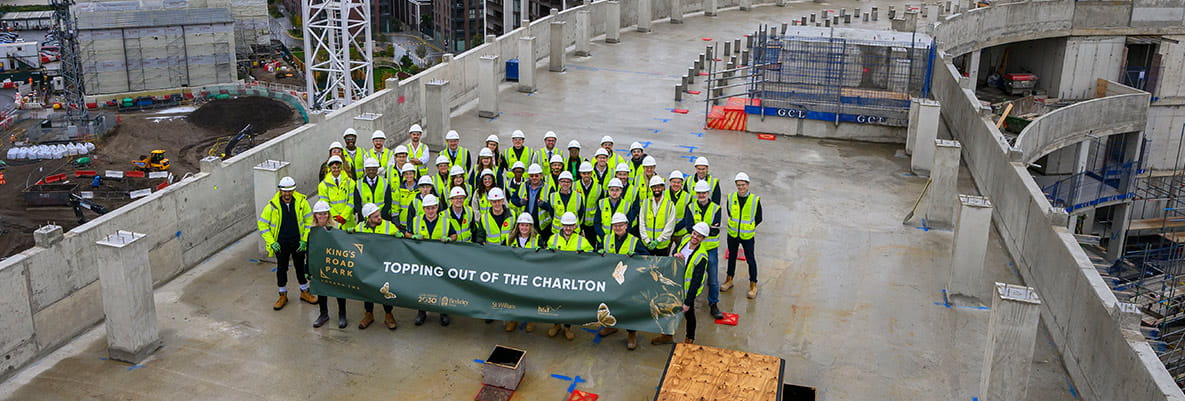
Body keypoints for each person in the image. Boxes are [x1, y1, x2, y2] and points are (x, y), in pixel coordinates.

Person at [257, 176, 317, 310]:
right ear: (280, 190)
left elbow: (309, 222)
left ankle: (304, 292)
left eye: (290, 191)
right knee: (281, 269)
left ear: (294, 190)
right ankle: (282, 295)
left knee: (300, 267)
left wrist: (304, 240)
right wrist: (272, 242)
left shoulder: (302, 203)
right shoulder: (272, 206)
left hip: (297, 241)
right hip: (281, 243)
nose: (287, 194)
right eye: (285, 191)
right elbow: (262, 224)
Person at [597, 213, 649, 350]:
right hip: (611, 279)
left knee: (629, 307)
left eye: (620, 225)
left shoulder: (634, 241)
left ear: (626, 225)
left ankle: (631, 334)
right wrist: (600, 252)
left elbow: (647, 257)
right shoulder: (606, 239)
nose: (618, 228)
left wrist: (636, 256)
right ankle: (610, 327)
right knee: (610, 303)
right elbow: (598, 254)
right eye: (615, 225)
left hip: (628, 282)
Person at [652, 222, 710, 345]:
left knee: (689, 314)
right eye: (694, 234)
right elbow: (674, 252)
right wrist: (675, 255)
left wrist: (688, 302)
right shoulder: (684, 239)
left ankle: (689, 339)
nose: (695, 237)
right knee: (668, 309)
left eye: (699, 236)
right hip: (675, 284)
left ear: (703, 238)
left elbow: (696, 281)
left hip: (687, 290)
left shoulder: (701, 257)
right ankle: (667, 335)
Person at [351, 203, 403, 330]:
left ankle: (388, 315)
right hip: (367, 265)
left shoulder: (388, 225)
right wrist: (348, 234)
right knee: (367, 290)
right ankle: (368, 314)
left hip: (383, 265)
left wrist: (400, 235)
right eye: (375, 217)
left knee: (385, 289)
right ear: (368, 218)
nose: (379, 218)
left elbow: (399, 238)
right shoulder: (360, 227)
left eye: (379, 215)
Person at [410, 194, 456, 326]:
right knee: (422, 286)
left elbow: (454, 235)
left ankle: (443, 312)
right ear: (423, 209)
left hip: (440, 260)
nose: (431, 211)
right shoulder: (416, 220)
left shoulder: (445, 221)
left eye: (433, 208)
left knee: (441, 286)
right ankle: (422, 312)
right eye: (428, 208)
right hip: (422, 260)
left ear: (437, 207)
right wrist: (413, 236)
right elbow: (408, 233)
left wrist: (449, 239)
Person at [546, 212, 592, 340]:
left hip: (572, 279)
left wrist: (585, 254)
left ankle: (567, 327)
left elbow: (591, 257)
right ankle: (556, 325)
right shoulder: (553, 239)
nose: (568, 228)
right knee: (554, 301)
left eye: (570, 226)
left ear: (575, 226)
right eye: (566, 225)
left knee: (568, 304)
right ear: (561, 225)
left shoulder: (582, 241)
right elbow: (545, 256)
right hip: (556, 278)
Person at [687, 180, 724, 319]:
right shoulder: (690, 207)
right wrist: (706, 228)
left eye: (703, 192)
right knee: (690, 276)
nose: (701, 195)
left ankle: (713, 304)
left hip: (710, 249)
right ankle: (688, 301)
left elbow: (715, 230)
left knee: (713, 279)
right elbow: (688, 226)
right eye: (699, 193)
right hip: (695, 249)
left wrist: (698, 230)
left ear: (708, 193)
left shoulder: (716, 208)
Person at [723, 172, 763, 299]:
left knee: (750, 260)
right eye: (739, 185)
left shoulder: (754, 200)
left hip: (747, 236)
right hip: (733, 234)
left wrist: (748, 227)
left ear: (748, 185)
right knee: (732, 257)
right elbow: (730, 213)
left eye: (743, 185)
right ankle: (729, 280)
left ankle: (753, 285)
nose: (741, 187)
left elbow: (758, 218)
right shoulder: (731, 197)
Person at [309, 200, 349, 328]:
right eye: (319, 214)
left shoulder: (336, 228)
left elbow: (344, 246)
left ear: (329, 214)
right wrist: (307, 267)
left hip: (335, 262)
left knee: (339, 289)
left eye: (325, 214)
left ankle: (342, 315)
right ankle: (323, 314)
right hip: (320, 264)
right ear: (315, 215)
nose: (322, 217)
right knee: (322, 289)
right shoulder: (312, 231)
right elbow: (309, 250)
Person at [503, 213, 537, 333]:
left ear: (530, 227)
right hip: (515, 275)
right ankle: (513, 320)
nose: (524, 228)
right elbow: (501, 253)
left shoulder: (537, 239)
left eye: (527, 226)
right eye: (522, 225)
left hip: (531, 275)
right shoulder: (509, 238)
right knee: (513, 298)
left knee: (529, 298)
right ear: (518, 226)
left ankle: (530, 319)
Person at [510, 163, 554, 243]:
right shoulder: (523, 186)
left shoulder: (549, 188)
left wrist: (544, 205)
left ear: (541, 175)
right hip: (526, 223)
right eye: (531, 176)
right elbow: (513, 199)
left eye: (536, 176)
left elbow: (553, 206)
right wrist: (520, 202)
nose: (534, 178)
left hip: (542, 225)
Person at [639, 176, 676, 256]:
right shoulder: (645, 203)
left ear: (663, 188)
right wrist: (647, 240)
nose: (657, 189)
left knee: (661, 267)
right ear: (651, 188)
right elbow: (642, 224)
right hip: (647, 245)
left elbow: (670, 226)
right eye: (654, 187)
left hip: (662, 246)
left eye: (659, 187)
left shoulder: (669, 205)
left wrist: (658, 240)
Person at [318, 155, 356, 228]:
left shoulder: (350, 182)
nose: (336, 170)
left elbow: (352, 201)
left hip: (348, 221)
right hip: (332, 221)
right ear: (330, 168)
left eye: (338, 167)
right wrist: (336, 217)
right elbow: (325, 203)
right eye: (334, 168)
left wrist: (344, 216)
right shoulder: (323, 185)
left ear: (341, 167)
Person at [354, 157, 393, 222]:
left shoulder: (385, 182)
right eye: (369, 169)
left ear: (377, 170)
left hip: (382, 218)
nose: (371, 171)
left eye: (373, 169)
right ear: (365, 170)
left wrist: (379, 216)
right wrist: (366, 217)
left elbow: (388, 202)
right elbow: (357, 204)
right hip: (365, 219)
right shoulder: (358, 184)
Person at [547, 171, 584, 236]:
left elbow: (581, 213)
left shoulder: (578, 196)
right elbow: (551, 213)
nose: (565, 184)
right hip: (557, 231)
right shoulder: (552, 196)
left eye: (568, 182)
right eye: (563, 181)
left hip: (574, 231)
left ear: (571, 183)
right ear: (559, 183)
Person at [576, 162, 602, 248]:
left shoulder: (598, 187)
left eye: (588, 173)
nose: (586, 175)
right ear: (580, 174)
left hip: (591, 223)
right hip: (578, 221)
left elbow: (600, 206)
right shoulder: (574, 186)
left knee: (591, 244)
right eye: (584, 173)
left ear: (591, 173)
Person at [666, 170, 691, 248]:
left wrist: (675, 228)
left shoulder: (687, 196)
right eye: (674, 182)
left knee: (681, 256)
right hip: (666, 232)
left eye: (678, 182)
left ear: (682, 183)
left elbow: (687, 216)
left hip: (681, 232)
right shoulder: (664, 194)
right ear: (670, 182)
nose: (676, 184)